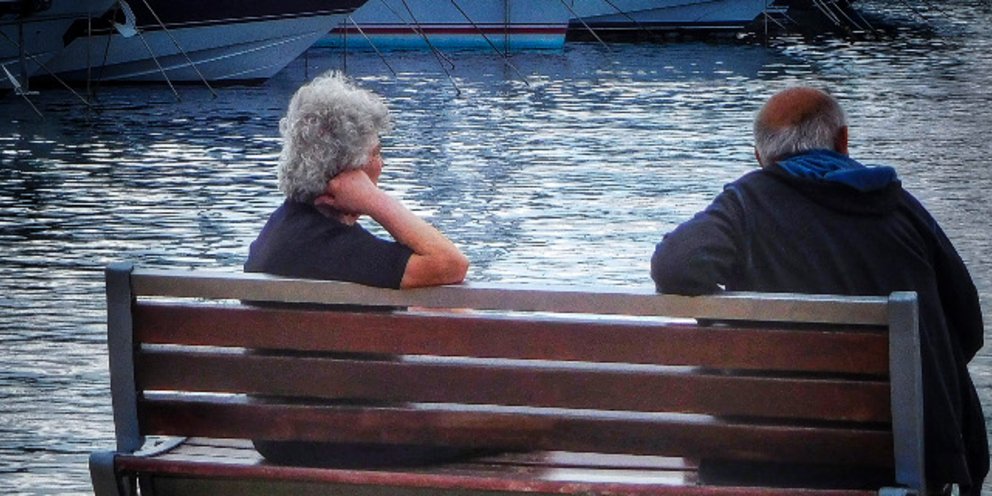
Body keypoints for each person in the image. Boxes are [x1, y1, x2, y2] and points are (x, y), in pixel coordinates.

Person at [650, 87, 988, 494]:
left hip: (768, 462)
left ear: (760, 156)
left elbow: (675, 265)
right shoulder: (902, 209)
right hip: (903, 465)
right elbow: (968, 328)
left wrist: (724, 326)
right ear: (842, 140)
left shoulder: (748, 203)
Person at [244, 71, 470, 467]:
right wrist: (376, 201)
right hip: (348, 438)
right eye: (376, 154)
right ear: (349, 173)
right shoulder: (335, 246)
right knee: (529, 421)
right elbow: (451, 264)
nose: (382, 165)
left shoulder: (281, 232)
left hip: (277, 435)